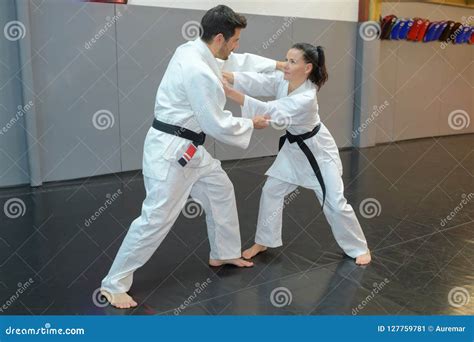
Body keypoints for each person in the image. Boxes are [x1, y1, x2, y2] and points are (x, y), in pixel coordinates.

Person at [100, 5, 284, 309]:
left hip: (191, 150)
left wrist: (278, 65)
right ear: (221, 38)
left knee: (220, 189)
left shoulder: (195, 49)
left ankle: (223, 252)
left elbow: (240, 60)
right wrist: (252, 121)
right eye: (235, 40)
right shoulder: (198, 70)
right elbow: (215, 122)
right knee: (156, 218)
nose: (237, 46)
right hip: (172, 153)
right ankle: (113, 283)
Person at [222, 43, 371, 266]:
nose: (286, 65)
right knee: (271, 190)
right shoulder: (285, 79)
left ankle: (358, 247)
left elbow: (273, 112)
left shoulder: (307, 97)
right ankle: (264, 240)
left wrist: (230, 92)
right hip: (293, 149)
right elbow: (261, 81)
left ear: (308, 67)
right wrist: (230, 76)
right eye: (286, 59)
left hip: (317, 152)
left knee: (334, 201)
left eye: (292, 62)